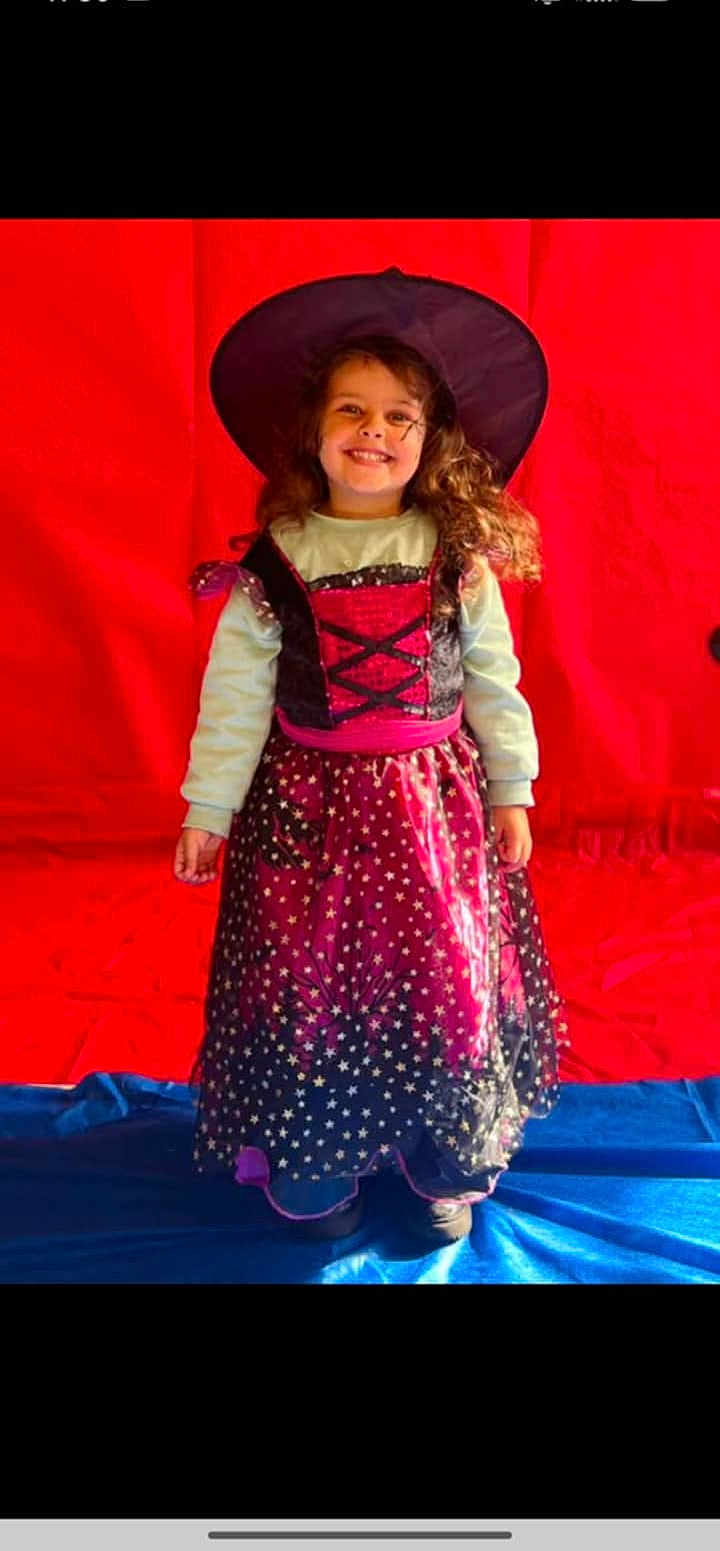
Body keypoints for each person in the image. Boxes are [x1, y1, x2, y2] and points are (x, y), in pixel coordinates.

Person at [173, 267, 567, 1247]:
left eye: (401, 416)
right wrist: (208, 810)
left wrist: (512, 788)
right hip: (308, 817)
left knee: (443, 978)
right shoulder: (275, 561)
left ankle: (439, 1154)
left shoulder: (455, 552)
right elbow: (233, 700)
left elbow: (493, 681)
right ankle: (319, 1157)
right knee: (314, 987)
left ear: (431, 442)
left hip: (435, 812)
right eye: (352, 409)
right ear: (313, 429)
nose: (375, 431)